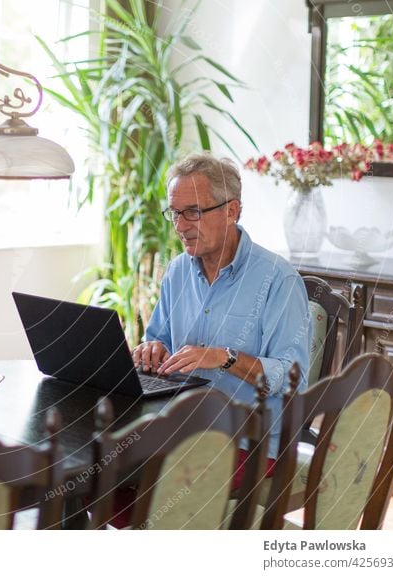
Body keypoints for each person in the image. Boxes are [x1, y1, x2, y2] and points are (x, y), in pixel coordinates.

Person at [114, 153, 310, 527]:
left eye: (194, 212)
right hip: (180, 429)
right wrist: (151, 350)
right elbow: (159, 342)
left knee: (149, 491)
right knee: (97, 475)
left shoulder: (278, 280)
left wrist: (224, 357)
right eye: (174, 213)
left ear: (232, 210)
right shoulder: (176, 272)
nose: (181, 226)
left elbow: (290, 380)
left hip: (248, 442)